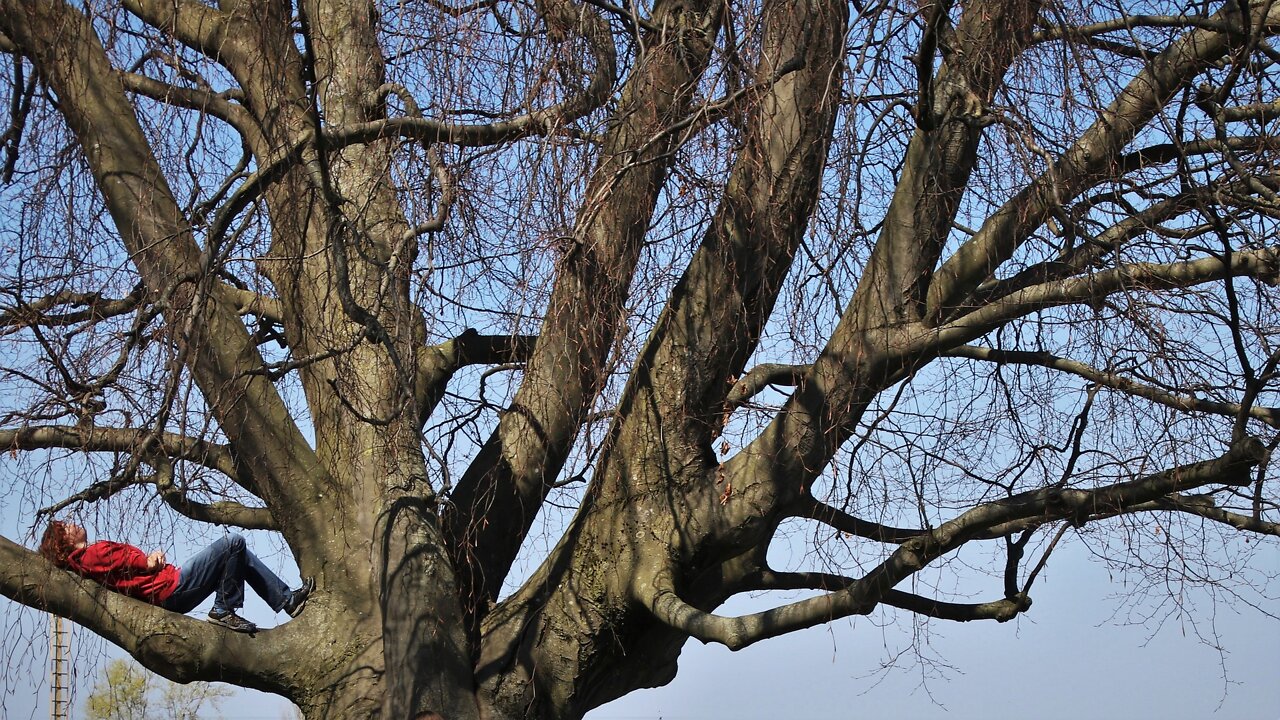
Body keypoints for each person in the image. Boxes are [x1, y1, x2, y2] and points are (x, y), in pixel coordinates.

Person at [39, 520, 314, 633]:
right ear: (64, 541)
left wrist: (145, 564)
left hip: (168, 591)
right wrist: (147, 562)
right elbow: (123, 559)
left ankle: (287, 600)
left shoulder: (86, 563)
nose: (73, 523)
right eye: (67, 527)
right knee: (233, 542)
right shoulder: (92, 554)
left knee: (239, 554)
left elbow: (120, 569)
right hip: (171, 588)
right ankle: (223, 609)